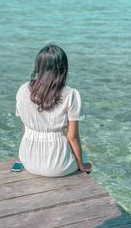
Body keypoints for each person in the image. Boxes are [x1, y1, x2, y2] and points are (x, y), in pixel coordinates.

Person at [15, 44, 92, 177]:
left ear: (39, 66)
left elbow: (26, 127)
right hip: (59, 165)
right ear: (63, 68)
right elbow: (72, 137)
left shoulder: (22, 90)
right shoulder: (71, 94)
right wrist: (82, 165)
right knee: (84, 155)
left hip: (28, 159)